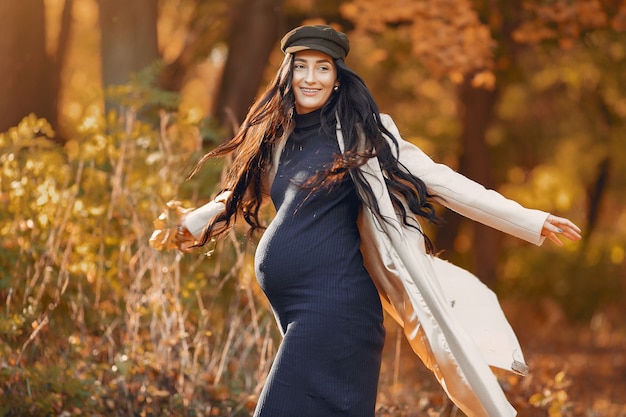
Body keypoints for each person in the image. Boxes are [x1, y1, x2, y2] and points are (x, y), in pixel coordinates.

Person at [169, 25, 582, 417]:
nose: (310, 77)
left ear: (337, 76)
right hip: (298, 308)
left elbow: (443, 180)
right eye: (301, 66)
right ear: (287, 73)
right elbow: (240, 192)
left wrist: (530, 219)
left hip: (336, 307)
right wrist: (192, 224)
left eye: (322, 67)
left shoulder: (363, 135)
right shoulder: (279, 135)